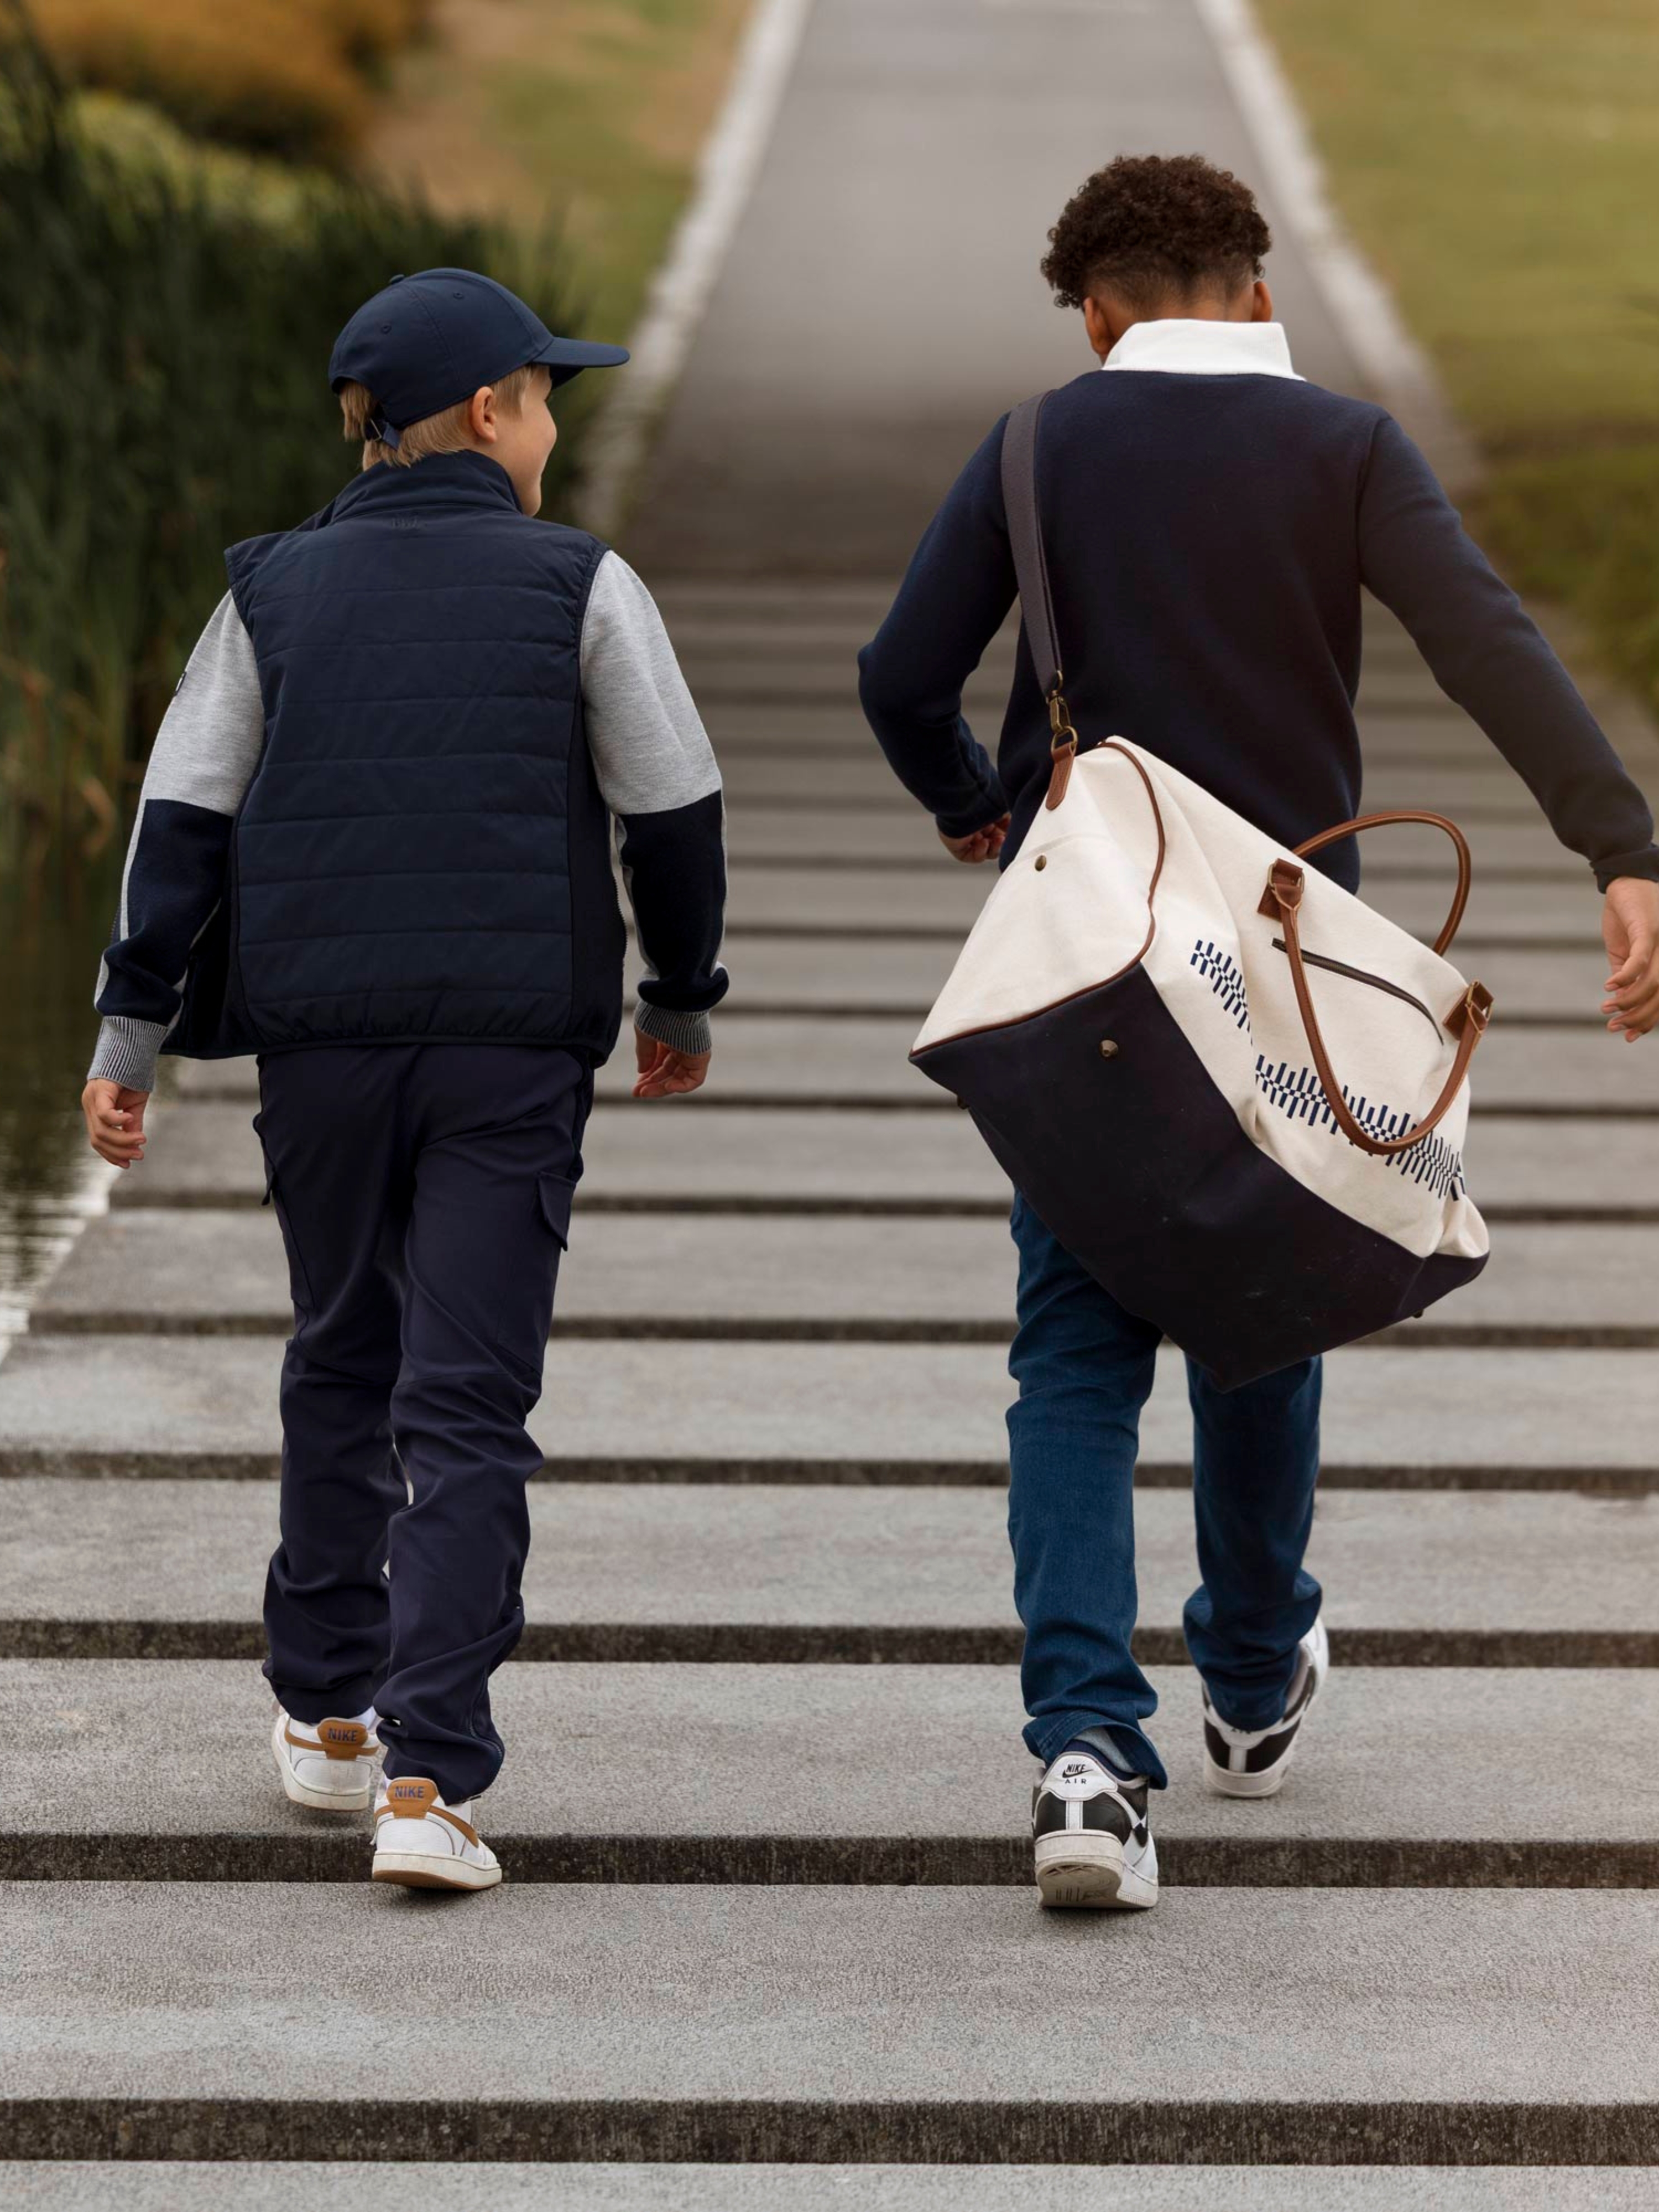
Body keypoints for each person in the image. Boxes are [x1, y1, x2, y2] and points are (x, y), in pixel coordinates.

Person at [857, 155, 1659, 1912]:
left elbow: (900, 675)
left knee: (1071, 1349)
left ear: (1097, 309)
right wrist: (1623, 847)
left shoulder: (1035, 448)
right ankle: (1247, 1678)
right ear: (1257, 287)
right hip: (1285, 970)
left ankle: (1084, 1758)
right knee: (1262, 1305)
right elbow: (1489, 646)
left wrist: (974, 810)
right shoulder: (1345, 451)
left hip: (1094, 971)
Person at [79, 268, 728, 1893]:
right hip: (511, 1049)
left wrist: (128, 1035)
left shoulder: (268, 593)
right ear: (492, 413)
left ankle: (327, 1712)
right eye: (548, 394)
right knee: (471, 1401)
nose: (558, 423)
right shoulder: (582, 582)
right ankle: (430, 1778)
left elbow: (183, 822)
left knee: (342, 1355)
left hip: (324, 1050)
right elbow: (675, 811)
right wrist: (681, 995)